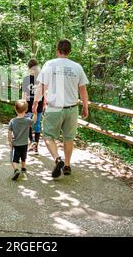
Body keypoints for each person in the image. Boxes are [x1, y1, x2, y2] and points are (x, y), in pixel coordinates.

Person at [32, 39, 89, 178]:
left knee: (48, 136)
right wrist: (85, 106)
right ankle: (68, 165)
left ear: (57, 50)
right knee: (69, 138)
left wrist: (35, 102)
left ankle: (58, 159)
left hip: (54, 108)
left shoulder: (49, 64)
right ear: (70, 51)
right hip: (72, 108)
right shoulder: (77, 67)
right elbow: (83, 90)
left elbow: (41, 86)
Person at [8, 100, 37, 180]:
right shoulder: (27, 120)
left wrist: (9, 141)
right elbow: (34, 121)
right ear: (26, 110)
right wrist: (35, 113)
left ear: (15, 109)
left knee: (14, 159)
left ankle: (16, 169)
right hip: (24, 143)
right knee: (23, 156)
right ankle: (23, 168)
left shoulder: (12, 121)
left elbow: (9, 132)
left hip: (16, 144)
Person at [21, 59, 46, 154]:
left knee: (28, 124)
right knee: (37, 124)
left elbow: (24, 94)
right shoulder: (41, 78)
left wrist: (22, 105)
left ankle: (31, 142)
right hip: (39, 103)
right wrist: (44, 102)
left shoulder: (26, 79)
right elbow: (44, 92)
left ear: (29, 68)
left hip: (28, 104)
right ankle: (35, 146)